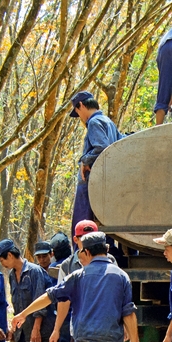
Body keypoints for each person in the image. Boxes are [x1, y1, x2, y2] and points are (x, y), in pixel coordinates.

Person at [12, 232, 147, 342]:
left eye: (81, 252)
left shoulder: (77, 276)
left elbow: (50, 296)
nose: (79, 256)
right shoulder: (121, 276)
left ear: (88, 252)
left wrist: (23, 314)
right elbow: (129, 313)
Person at [55, 221, 119, 342]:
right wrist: (57, 329)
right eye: (84, 238)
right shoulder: (68, 266)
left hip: (106, 329)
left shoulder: (111, 262)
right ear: (76, 240)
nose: (89, 241)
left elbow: (118, 297)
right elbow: (62, 299)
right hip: (80, 328)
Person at [69, 91, 123, 236]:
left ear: (80, 105)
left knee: (82, 226)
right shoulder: (108, 122)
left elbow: (101, 146)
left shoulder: (93, 122)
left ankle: (81, 256)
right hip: (105, 182)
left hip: (90, 183)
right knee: (103, 225)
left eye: (77, 112)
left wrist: (85, 160)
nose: (79, 118)